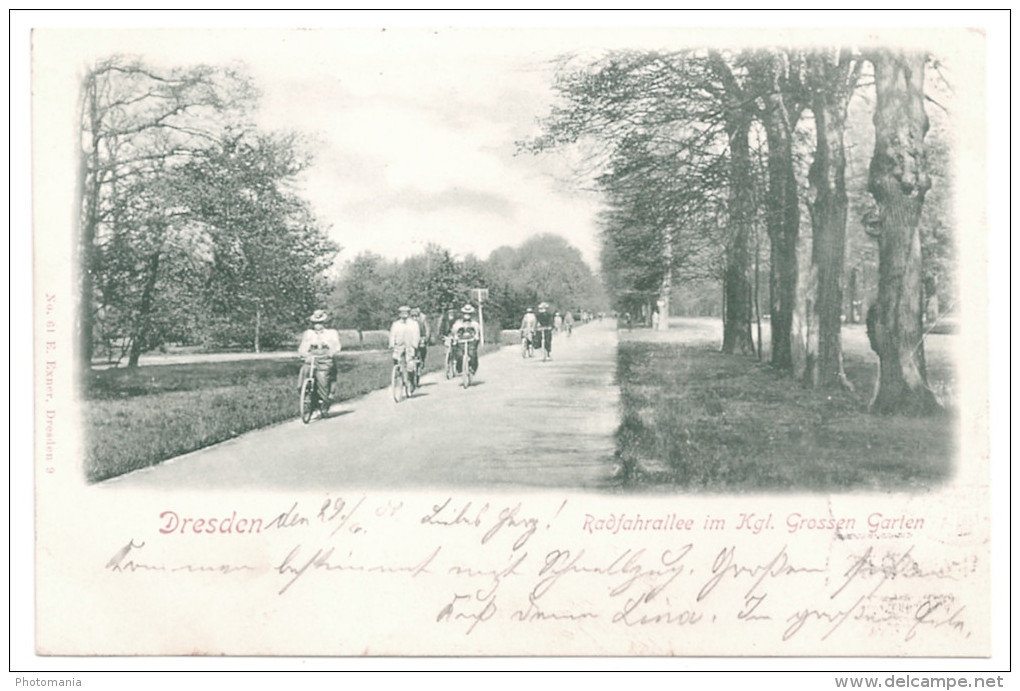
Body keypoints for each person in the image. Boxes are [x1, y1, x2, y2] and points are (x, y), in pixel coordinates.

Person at [297, 310, 342, 405]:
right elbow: (303, 346)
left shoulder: (331, 333)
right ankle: (306, 394)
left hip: (325, 358)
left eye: (320, 323)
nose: (317, 325)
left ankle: (323, 401)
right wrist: (303, 354)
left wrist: (331, 352)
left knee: (323, 379)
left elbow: (336, 345)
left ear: (324, 323)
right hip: (312, 356)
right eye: (315, 323)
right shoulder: (309, 333)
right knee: (304, 371)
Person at [388, 305, 421, 376]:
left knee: (410, 363)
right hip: (399, 346)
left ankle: (411, 380)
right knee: (396, 358)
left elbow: (416, 335)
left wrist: (415, 344)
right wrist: (391, 344)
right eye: (402, 313)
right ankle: (398, 373)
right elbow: (392, 335)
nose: (404, 315)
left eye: (406, 313)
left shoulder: (413, 324)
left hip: (410, 346)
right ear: (399, 314)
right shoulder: (396, 324)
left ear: (409, 314)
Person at [449, 304, 481, 375]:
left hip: (471, 341)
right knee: (459, 355)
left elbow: (477, 331)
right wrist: (455, 337)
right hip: (461, 341)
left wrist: (476, 336)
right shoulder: (458, 323)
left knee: (472, 354)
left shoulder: (474, 323)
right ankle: (460, 369)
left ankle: (473, 368)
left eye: (469, 313)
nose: (467, 315)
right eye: (465, 313)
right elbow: (454, 331)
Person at [410, 307, 430, 372]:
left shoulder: (423, 319)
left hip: (421, 336)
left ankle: (422, 360)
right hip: (411, 337)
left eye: (416, 316)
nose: (414, 318)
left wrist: (426, 337)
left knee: (422, 347)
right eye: (413, 316)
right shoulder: (408, 321)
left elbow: (427, 328)